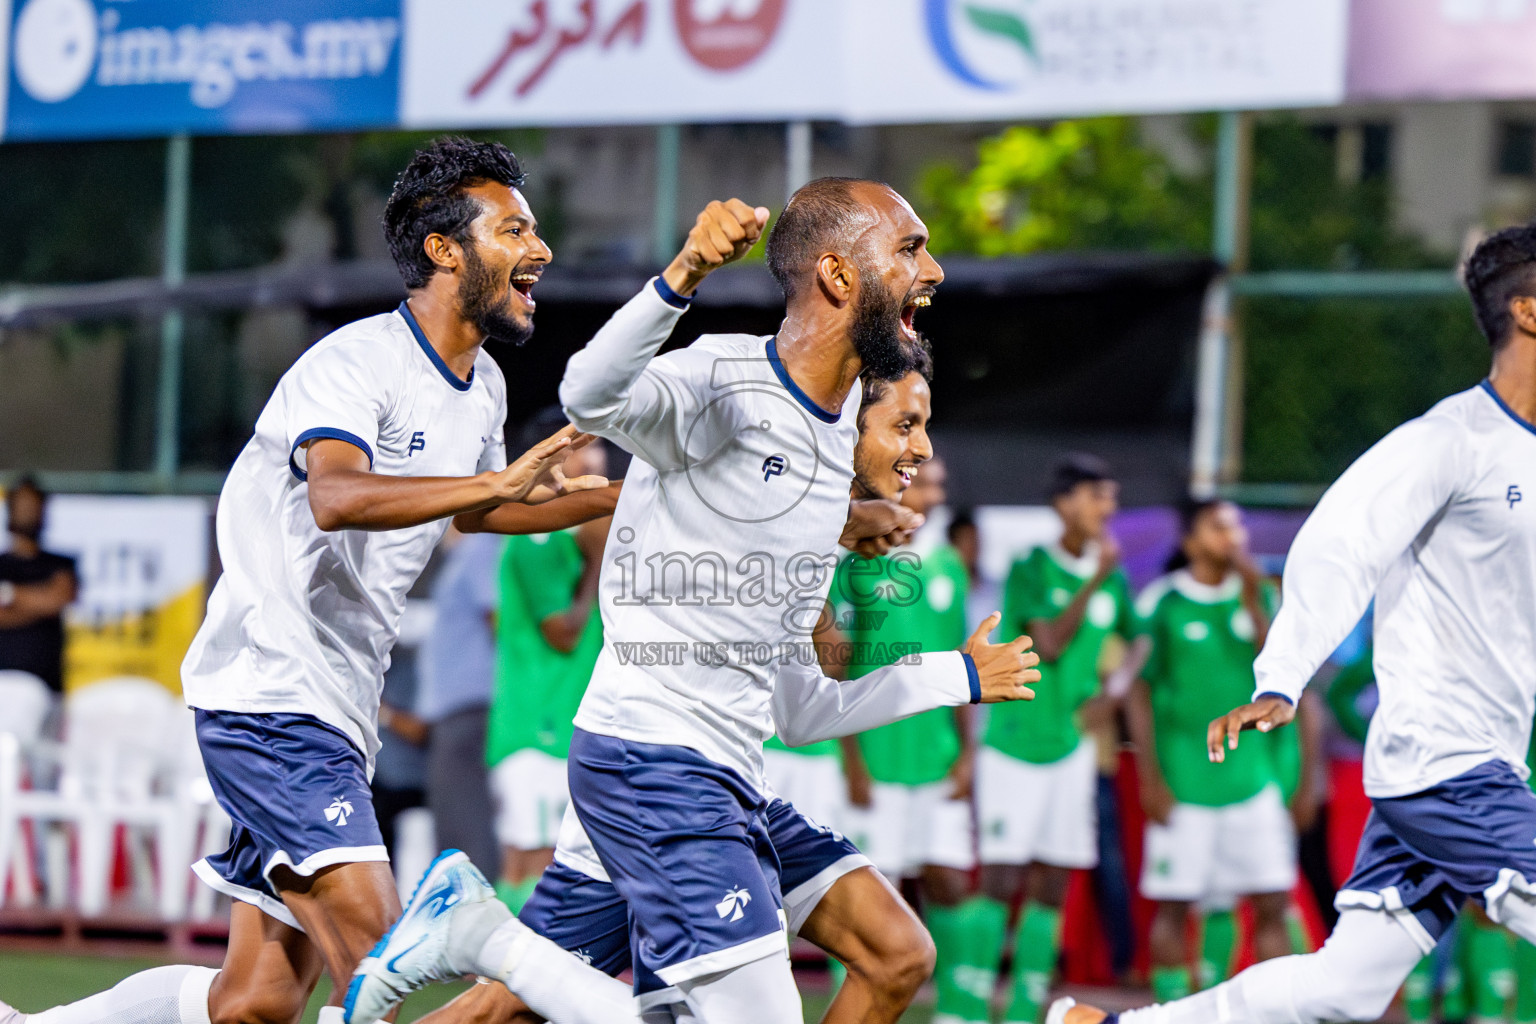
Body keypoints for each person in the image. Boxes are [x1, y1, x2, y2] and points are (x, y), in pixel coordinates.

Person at [346, 177, 1040, 1024]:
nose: (931, 268)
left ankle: (477, 954)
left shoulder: (826, 460)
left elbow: (802, 710)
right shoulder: (726, 376)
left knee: (897, 955)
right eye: (909, 247)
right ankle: (475, 933)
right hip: (654, 764)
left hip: (718, 775)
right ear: (837, 273)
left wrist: (956, 674)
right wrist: (683, 273)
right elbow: (589, 397)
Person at [0, 137, 627, 1024]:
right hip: (272, 695)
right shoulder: (355, 362)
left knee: (253, 1000)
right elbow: (337, 496)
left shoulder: (481, 383)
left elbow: (479, 513)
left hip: (336, 705)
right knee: (383, 961)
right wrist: (495, 483)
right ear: (447, 250)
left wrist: (625, 497)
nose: (542, 250)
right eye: (516, 229)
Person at [1052, 223, 1536, 1024]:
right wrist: (1282, 676)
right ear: (1527, 311)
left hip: (1480, 763)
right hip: (1443, 765)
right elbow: (1342, 542)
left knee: (1342, 989)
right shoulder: (1451, 442)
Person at [973, 454, 1138, 1024]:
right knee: (1001, 878)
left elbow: (1139, 642)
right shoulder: (1032, 566)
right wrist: (1095, 576)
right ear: (1065, 503)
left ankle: (1022, 1014)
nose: (1106, 509)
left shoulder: (1113, 576)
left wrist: (1114, 693)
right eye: (1097, 496)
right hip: (1015, 741)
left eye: (1111, 498)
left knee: (1053, 882)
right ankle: (965, 1011)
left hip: (1071, 747)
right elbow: (1052, 644)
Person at [828, 454, 991, 1024]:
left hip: (936, 755)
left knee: (947, 878)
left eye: (943, 484)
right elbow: (837, 667)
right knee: (867, 893)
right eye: (927, 482)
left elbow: (964, 665)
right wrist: (850, 759)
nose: (936, 493)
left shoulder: (948, 564)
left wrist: (968, 753)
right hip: (877, 754)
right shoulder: (858, 565)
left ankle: (958, 1012)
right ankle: (845, 1004)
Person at [1126, 499, 1292, 1002]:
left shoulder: (1261, 596)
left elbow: (1282, 668)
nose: (1233, 536)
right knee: (1175, 907)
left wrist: (1252, 596)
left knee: (1272, 902)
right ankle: (1175, 1011)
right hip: (1184, 784)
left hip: (1252, 781)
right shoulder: (1163, 602)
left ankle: (1270, 1013)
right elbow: (1138, 690)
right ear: (1189, 541)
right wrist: (1150, 779)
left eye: (1238, 524)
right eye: (1219, 526)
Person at [486, 409, 610, 912]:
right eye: (585, 447)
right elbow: (562, 632)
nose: (598, 457)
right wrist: (601, 555)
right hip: (537, 724)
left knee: (543, 859)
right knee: (532, 860)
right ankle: (500, 980)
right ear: (554, 457)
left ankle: (505, 978)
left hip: (563, 723)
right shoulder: (541, 538)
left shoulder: (567, 539)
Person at [418, 523, 505, 880]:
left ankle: (479, 925)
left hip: (473, 709)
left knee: (468, 828)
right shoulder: (460, 555)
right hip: (455, 712)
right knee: (454, 826)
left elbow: (500, 620)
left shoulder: (482, 545)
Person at [0, 477, 78, 710]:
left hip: (48, 689)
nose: (27, 512)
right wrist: (38, 603)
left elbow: (57, 600)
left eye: (33, 506)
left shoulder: (60, 564)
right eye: (22, 506)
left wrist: (9, 594)